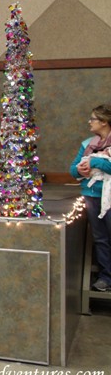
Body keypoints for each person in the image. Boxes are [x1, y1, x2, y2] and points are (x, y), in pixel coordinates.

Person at [70, 105, 111, 292]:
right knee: (100, 238)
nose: (89, 122)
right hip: (92, 196)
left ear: (104, 122)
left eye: (93, 119)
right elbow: (72, 169)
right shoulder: (87, 144)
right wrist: (79, 169)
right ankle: (106, 277)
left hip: (109, 196)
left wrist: (95, 162)